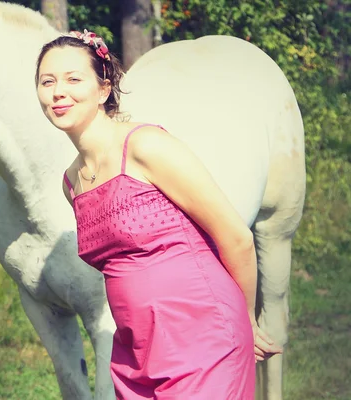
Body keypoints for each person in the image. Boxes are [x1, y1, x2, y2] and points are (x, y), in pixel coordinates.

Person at [34, 30, 283, 399]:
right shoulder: (71, 183)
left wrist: (244, 322)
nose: (58, 91)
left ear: (104, 90)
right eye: (47, 81)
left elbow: (235, 236)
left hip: (205, 338)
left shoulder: (145, 146)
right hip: (136, 353)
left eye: (73, 79)